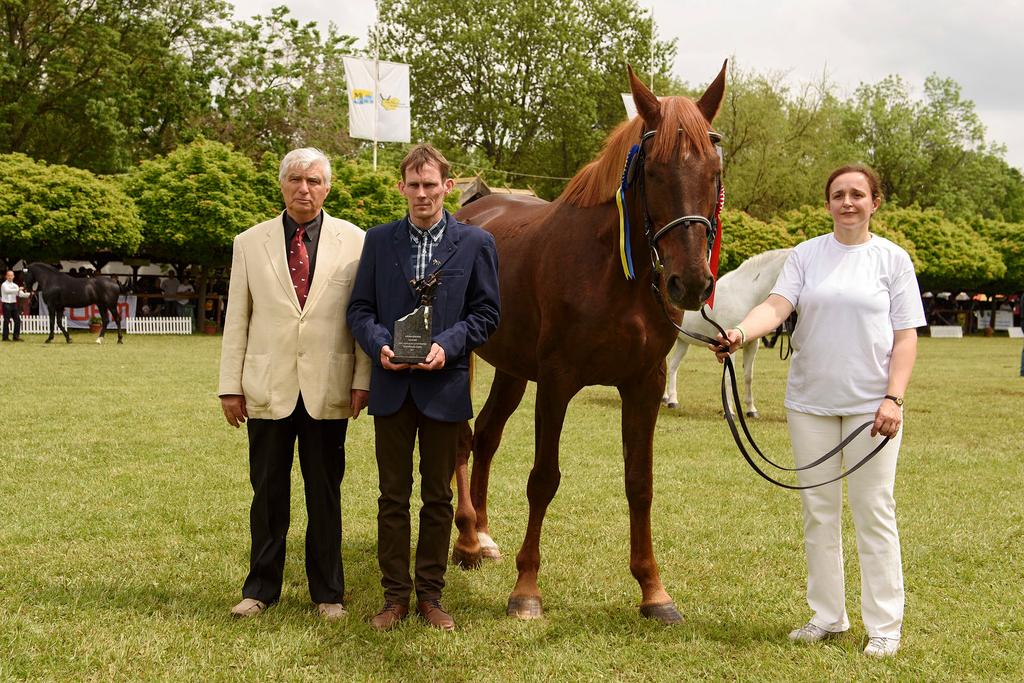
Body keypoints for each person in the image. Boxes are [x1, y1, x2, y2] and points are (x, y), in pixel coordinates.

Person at [710, 164, 925, 658]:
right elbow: (779, 306)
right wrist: (742, 331)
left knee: (874, 513)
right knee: (819, 513)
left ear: (875, 202)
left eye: (857, 194)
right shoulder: (807, 255)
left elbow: (905, 335)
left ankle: (884, 625)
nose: (847, 202)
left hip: (874, 408)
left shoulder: (892, 260)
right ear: (828, 204)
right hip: (810, 403)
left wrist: (894, 397)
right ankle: (828, 615)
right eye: (837, 195)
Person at [347, 144, 500, 631]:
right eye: (413, 185)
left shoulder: (475, 244)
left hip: (443, 390)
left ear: (446, 188)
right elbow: (359, 311)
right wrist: (379, 346)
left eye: (430, 185)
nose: (421, 194)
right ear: (401, 188)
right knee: (392, 497)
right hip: (392, 386)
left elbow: (487, 315)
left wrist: (449, 346)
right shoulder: (378, 241)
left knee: (438, 499)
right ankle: (394, 597)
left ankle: (431, 596)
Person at [218, 147, 371, 621]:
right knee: (267, 494)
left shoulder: (357, 241)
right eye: (296, 180)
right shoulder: (250, 242)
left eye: (314, 181)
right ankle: (260, 589)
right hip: (267, 386)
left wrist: (362, 379)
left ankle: (328, 594)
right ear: (281, 185)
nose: (304, 189)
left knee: (325, 492)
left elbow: (364, 316)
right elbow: (237, 319)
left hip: (330, 385)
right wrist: (230, 385)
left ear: (328, 187)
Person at [2, 270, 31, 341]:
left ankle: (16, 337)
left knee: (17, 320)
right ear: (6, 276)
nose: (10, 277)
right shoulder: (4, 285)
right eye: (8, 275)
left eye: (11, 275)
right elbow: (7, 291)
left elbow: (20, 294)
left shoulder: (15, 285)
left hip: (13, 304)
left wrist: (29, 294)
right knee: (6, 321)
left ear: (13, 276)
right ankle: (5, 337)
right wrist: (18, 289)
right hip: (6, 304)